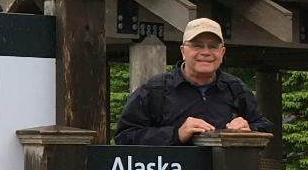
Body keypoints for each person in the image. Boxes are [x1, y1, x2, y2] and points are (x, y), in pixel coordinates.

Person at [114, 17, 274, 144]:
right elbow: (124, 136)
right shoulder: (155, 90)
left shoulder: (236, 89)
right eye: (197, 45)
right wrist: (176, 134)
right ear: (183, 51)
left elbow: (265, 127)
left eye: (213, 46)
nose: (206, 52)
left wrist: (249, 129)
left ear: (222, 52)